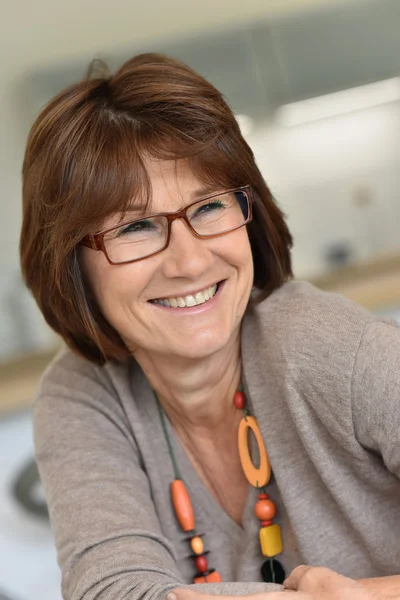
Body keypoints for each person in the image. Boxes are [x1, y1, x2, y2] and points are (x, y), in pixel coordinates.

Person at [20, 53, 400, 600]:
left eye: (209, 207)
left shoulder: (329, 346)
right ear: (71, 264)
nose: (190, 262)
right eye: (136, 227)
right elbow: (109, 590)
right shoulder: (84, 394)